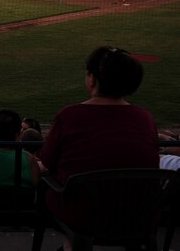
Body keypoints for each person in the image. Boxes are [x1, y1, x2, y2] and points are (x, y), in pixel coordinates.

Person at [40, 47, 158, 240]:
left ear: (92, 80)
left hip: (83, 215)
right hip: (139, 215)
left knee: (45, 183)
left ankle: (72, 245)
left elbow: (46, 161)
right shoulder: (145, 118)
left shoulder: (69, 115)